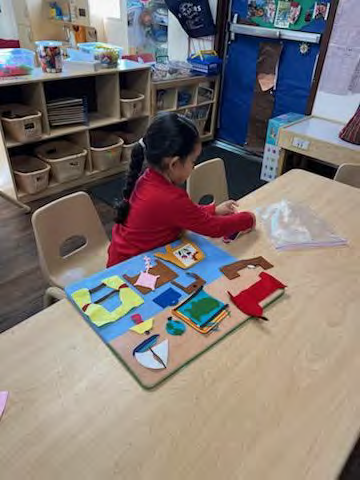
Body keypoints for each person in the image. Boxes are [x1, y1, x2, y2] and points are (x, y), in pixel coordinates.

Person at [107, 112, 256, 267]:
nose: (193, 166)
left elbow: (184, 213)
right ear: (174, 164)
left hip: (122, 258)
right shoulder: (168, 197)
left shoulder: (149, 177)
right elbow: (214, 228)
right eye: (192, 161)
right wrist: (247, 218)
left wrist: (213, 210)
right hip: (131, 269)